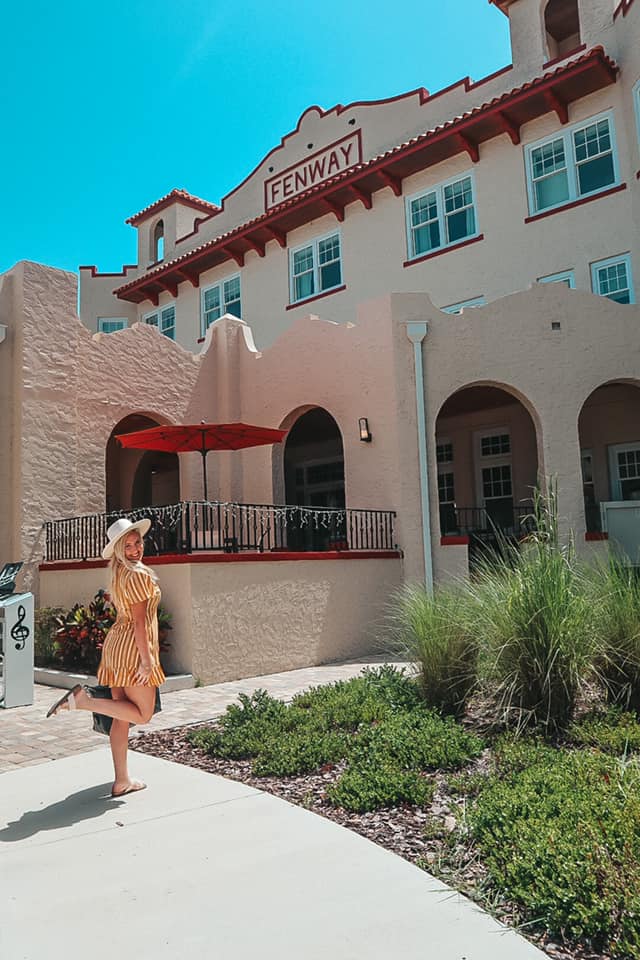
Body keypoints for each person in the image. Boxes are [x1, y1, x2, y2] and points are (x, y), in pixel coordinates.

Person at [47, 517, 165, 797]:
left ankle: (122, 780)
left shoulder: (121, 574)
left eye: (137, 543)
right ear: (119, 550)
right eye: (128, 545)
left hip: (116, 647)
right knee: (144, 715)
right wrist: (147, 661)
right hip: (133, 649)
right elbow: (139, 622)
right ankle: (83, 701)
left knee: (121, 716)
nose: (136, 549)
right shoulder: (138, 574)